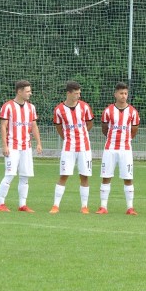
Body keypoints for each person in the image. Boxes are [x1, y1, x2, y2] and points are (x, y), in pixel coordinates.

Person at [0, 80, 42, 212]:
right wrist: (4, 146)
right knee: (10, 174)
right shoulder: (8, 106)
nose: (30, 93)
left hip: (26, 147)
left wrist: (38, 143)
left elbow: (34, 126)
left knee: (25, 176)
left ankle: (22, 205)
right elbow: (3, 127)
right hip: (12, 146)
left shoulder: (31, 107)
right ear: (19, 91)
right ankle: (0, 204)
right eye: (27, 91)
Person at [50, 81, 94, 214]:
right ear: (68, 93)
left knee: (84, 176)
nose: (78, 96)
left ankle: (84, 206)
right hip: (69, 147)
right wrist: (67, 137)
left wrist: (82, 134)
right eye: (76, 93)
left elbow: (90, 123)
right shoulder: (59, 109)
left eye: (79, 93)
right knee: (64, 175)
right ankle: (55, 205)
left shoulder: (85, 107)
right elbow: (58, 126)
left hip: (84, 147)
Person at [98, 82, 140, 215]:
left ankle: (130, 207)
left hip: (125, 149)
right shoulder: (108, 111)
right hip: (110, 148)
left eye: (125, 93)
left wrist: (125, 140)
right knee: (106, 176)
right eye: (121, 93)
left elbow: (134, 130)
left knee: (128, 177)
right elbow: (105, 129)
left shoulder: (133, 112)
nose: (123, 96)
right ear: (115, 94)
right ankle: (103, 206)